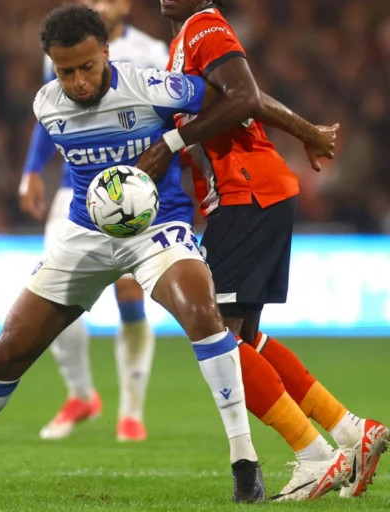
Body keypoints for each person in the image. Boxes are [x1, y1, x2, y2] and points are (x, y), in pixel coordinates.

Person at [0, 5, 266, 503]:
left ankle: (245, 462)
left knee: (204, 314)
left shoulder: (152, 87)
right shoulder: (45, 105)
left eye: (86, 67)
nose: (76, 81)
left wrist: (184, 143)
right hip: (84, 236)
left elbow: (233, 98)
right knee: (9, 348)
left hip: (158, 226)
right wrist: (33, 172)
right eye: (64, 70)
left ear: (106, 53)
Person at [134, 0, 388, 500]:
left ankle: (315, 457)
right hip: (258, 194)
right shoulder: (187, 40)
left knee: (219, 342)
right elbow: (250, 96)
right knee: (244, 340)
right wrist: (307, 130)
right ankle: (350, 432)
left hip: (244, 194)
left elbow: (246, 96)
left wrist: (172, 140)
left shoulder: (205, 27)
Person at [19, 0, 170, 442]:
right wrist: (31, 170)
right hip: (75, 190)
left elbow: (176, 114)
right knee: (52, 290)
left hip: (132, 189)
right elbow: (50, 116)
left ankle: (132, 410)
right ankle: (81, 394)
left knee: (129, 294)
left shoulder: (151, 51)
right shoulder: (65, 52)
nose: (101, 5)